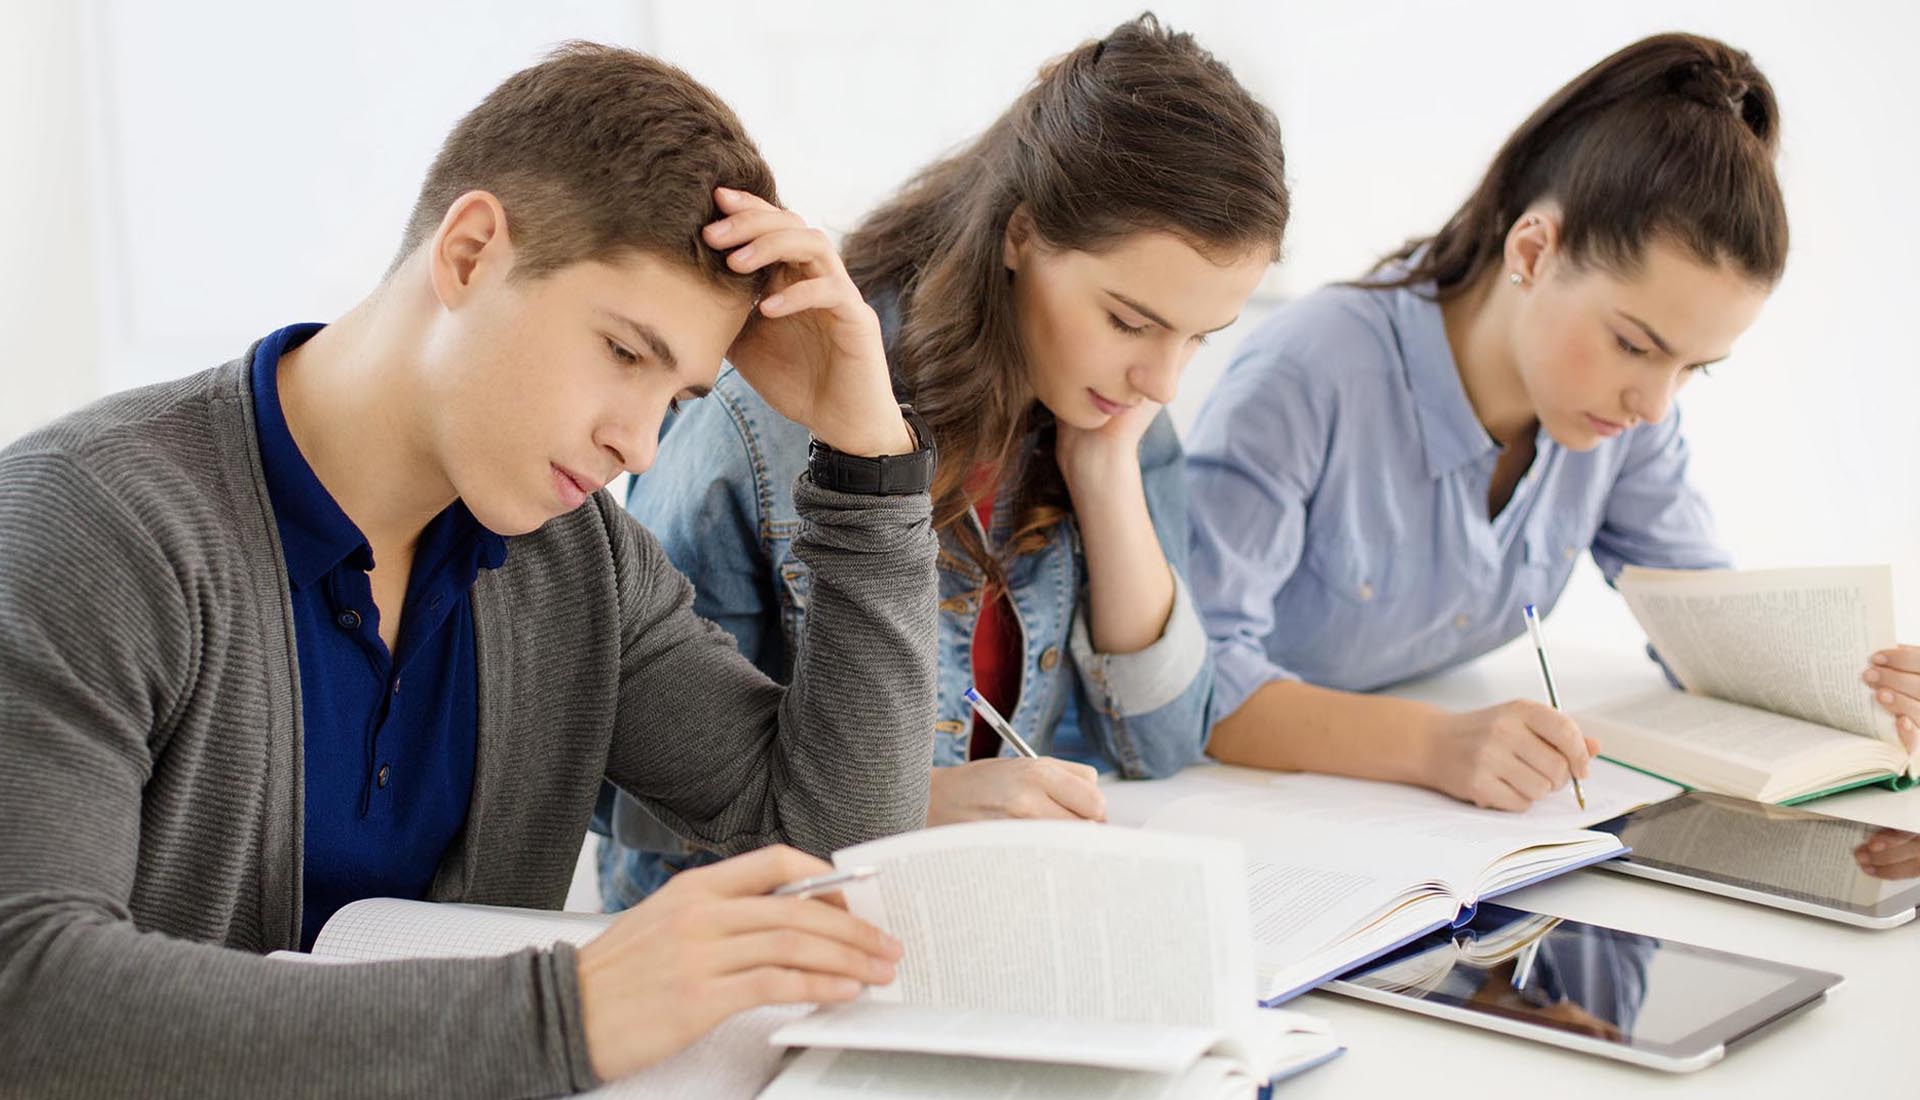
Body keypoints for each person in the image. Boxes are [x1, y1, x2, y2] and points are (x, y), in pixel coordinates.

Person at [0, 44, 942, 1096]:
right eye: (625, 352)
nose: (640, 444)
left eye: (675, 397)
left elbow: (835, 840)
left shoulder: (580, 563)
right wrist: (566, 1010)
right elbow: (28, 993)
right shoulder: (86, 522)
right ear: (471, 252)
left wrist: (869, 457)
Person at [594, 13, 1289, 908]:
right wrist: (903, 808)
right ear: (1022, 235)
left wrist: (1107, 474)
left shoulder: (1113, 409)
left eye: (1200, 337)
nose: (1162, 377)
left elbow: (1162, 739)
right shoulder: (768, 414)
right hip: (756, 931)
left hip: (973, 913)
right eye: (1129, 320)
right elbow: (630, 797)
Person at [1189, 32, 1917, 810]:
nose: (1655, 404)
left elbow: (1702, 623)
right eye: (1634, 344)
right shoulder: (1308, 375)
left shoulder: (1623, 417)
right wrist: (1435, 745)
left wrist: (1861, 689)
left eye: (1692, 369)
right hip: (1237, 815)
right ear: (1533, 252)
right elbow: (1188, 684)